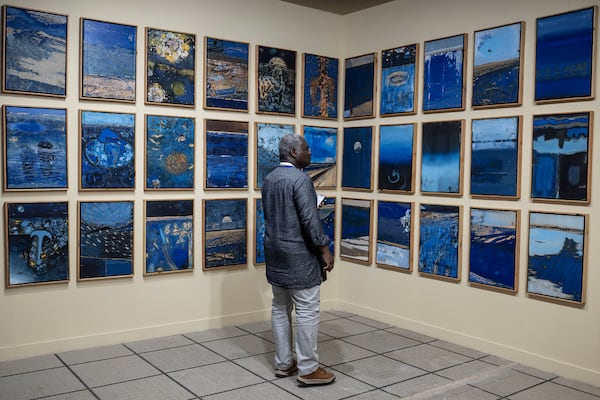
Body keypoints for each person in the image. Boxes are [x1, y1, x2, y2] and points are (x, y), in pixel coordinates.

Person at [261, 133, 335, 386]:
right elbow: (309, 220)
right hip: (299, 256)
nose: (310, 153)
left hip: (275, 253)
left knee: (280, 308)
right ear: (293, 153)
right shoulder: (301, 180)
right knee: (306, 311)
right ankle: (309, 369)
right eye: (306, 149)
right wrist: (324, 249)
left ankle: (283, 364)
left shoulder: (270, 178)